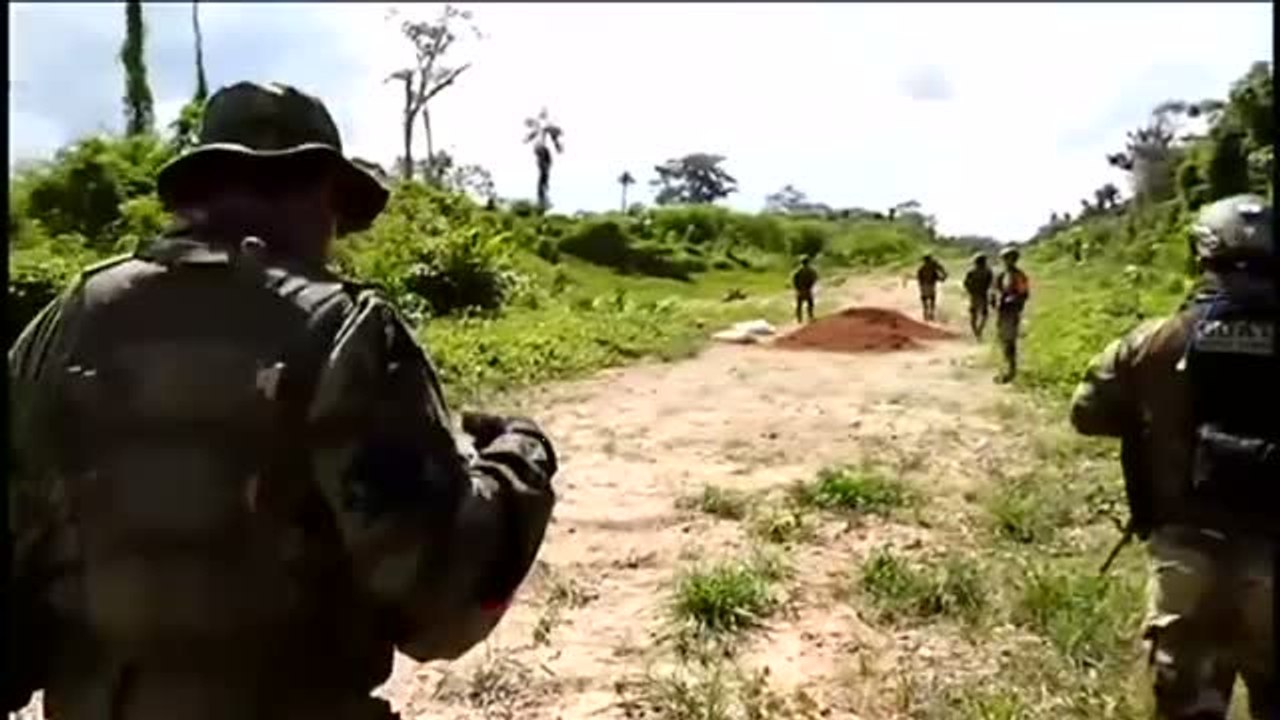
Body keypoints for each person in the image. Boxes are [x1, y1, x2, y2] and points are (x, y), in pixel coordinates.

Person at [6, 82, 558, 720]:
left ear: (194, 195)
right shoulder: (345, 330)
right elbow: (441, 599)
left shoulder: (68, 320)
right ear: (322, 196)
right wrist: (519, 461)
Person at [1069, 194, 1275, 720]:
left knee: (1186, 706)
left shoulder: (1157, 340)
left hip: (1187, 556)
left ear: (1202, 256)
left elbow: (1086, 413)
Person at [993, 246, 1030, 383]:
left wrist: (1012, 299)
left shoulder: (1019, 275)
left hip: (1011, 311)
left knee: (1009, 342)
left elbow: (1024, 294)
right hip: (1003, 311)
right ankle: (1007, 370)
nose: (1006, 261)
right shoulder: (1003, 275)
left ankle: (1011, 371)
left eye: (1008, 259)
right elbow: (996, 290)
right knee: (1004, 341)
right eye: (1005, 259)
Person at [962, 253, 995, 339]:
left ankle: (976, 332)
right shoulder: (988, 272)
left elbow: (965, 283)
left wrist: (970, 291)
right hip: (983, 295)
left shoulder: (971, 272)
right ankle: (979, 331)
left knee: (974, 315)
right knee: (984, 315)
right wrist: (992, 296)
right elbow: (992, 285)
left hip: (974, 295)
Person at [916, 253, 948, 322]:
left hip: (924, 286)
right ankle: (930, 315)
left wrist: (921, 285)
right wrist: (944, 276)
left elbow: (919, 279)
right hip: (930, 286)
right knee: (931, 300)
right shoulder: (932, 267)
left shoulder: (922, 269)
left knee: (926, 300)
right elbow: (940, 277)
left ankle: (926, 314)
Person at [792, 255, 818, 324]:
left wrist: (797, 288)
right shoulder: (811, 270)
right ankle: (810, 316)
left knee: (799, 305)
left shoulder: (798, 271)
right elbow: (815, 278)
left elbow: (794, 280)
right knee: (810, 303)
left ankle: (799, 319)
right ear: (808, 262)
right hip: (808, 289)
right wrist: (811, 286)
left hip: (800, 289)